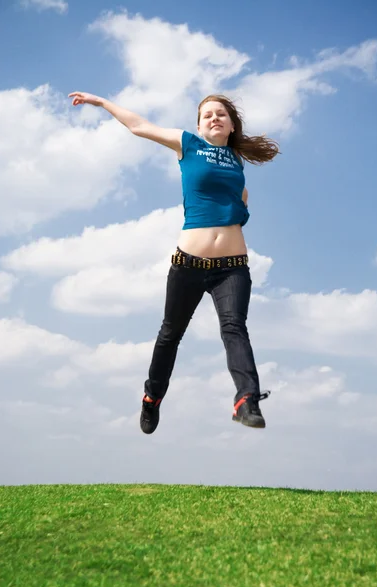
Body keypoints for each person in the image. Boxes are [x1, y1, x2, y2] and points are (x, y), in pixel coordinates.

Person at [68, 90, 279, 435]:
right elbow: (139, 126)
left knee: (234, 328)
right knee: (170, 333)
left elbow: (241, 203)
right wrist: (102, 103)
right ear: (198, 125)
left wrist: (238, 211)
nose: (214, 118)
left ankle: (247, 400)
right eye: (207, 114)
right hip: (190, 264)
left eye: (221, 114)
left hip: (233, 267)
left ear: (231, 125)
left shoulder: (237, 161)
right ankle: (152, 398)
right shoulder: (188, 145)